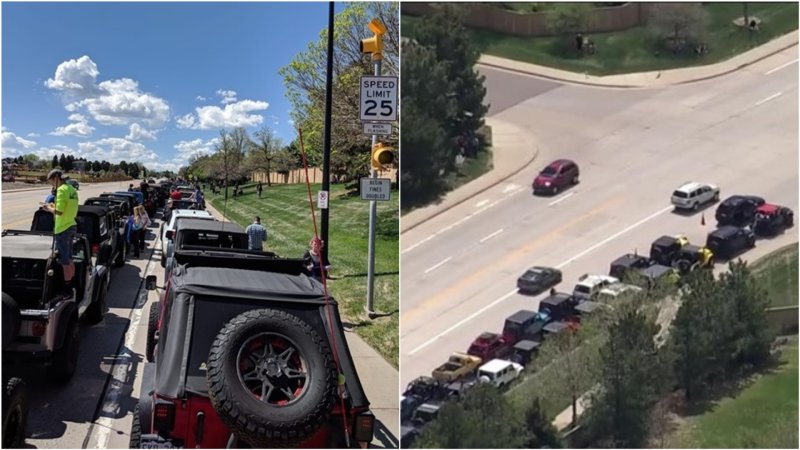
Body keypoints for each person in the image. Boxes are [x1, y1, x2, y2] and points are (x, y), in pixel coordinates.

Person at [41, 169, 79, 298]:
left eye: (51, 182)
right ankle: (72, 283)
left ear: (56, 178)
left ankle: (66, 288)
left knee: (64, 261)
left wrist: (48, 208)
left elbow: (59, 212)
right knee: (69, 258)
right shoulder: (71, 189)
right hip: (71, 224)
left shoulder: (62, 190)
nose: (52, 185)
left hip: (62, 228)